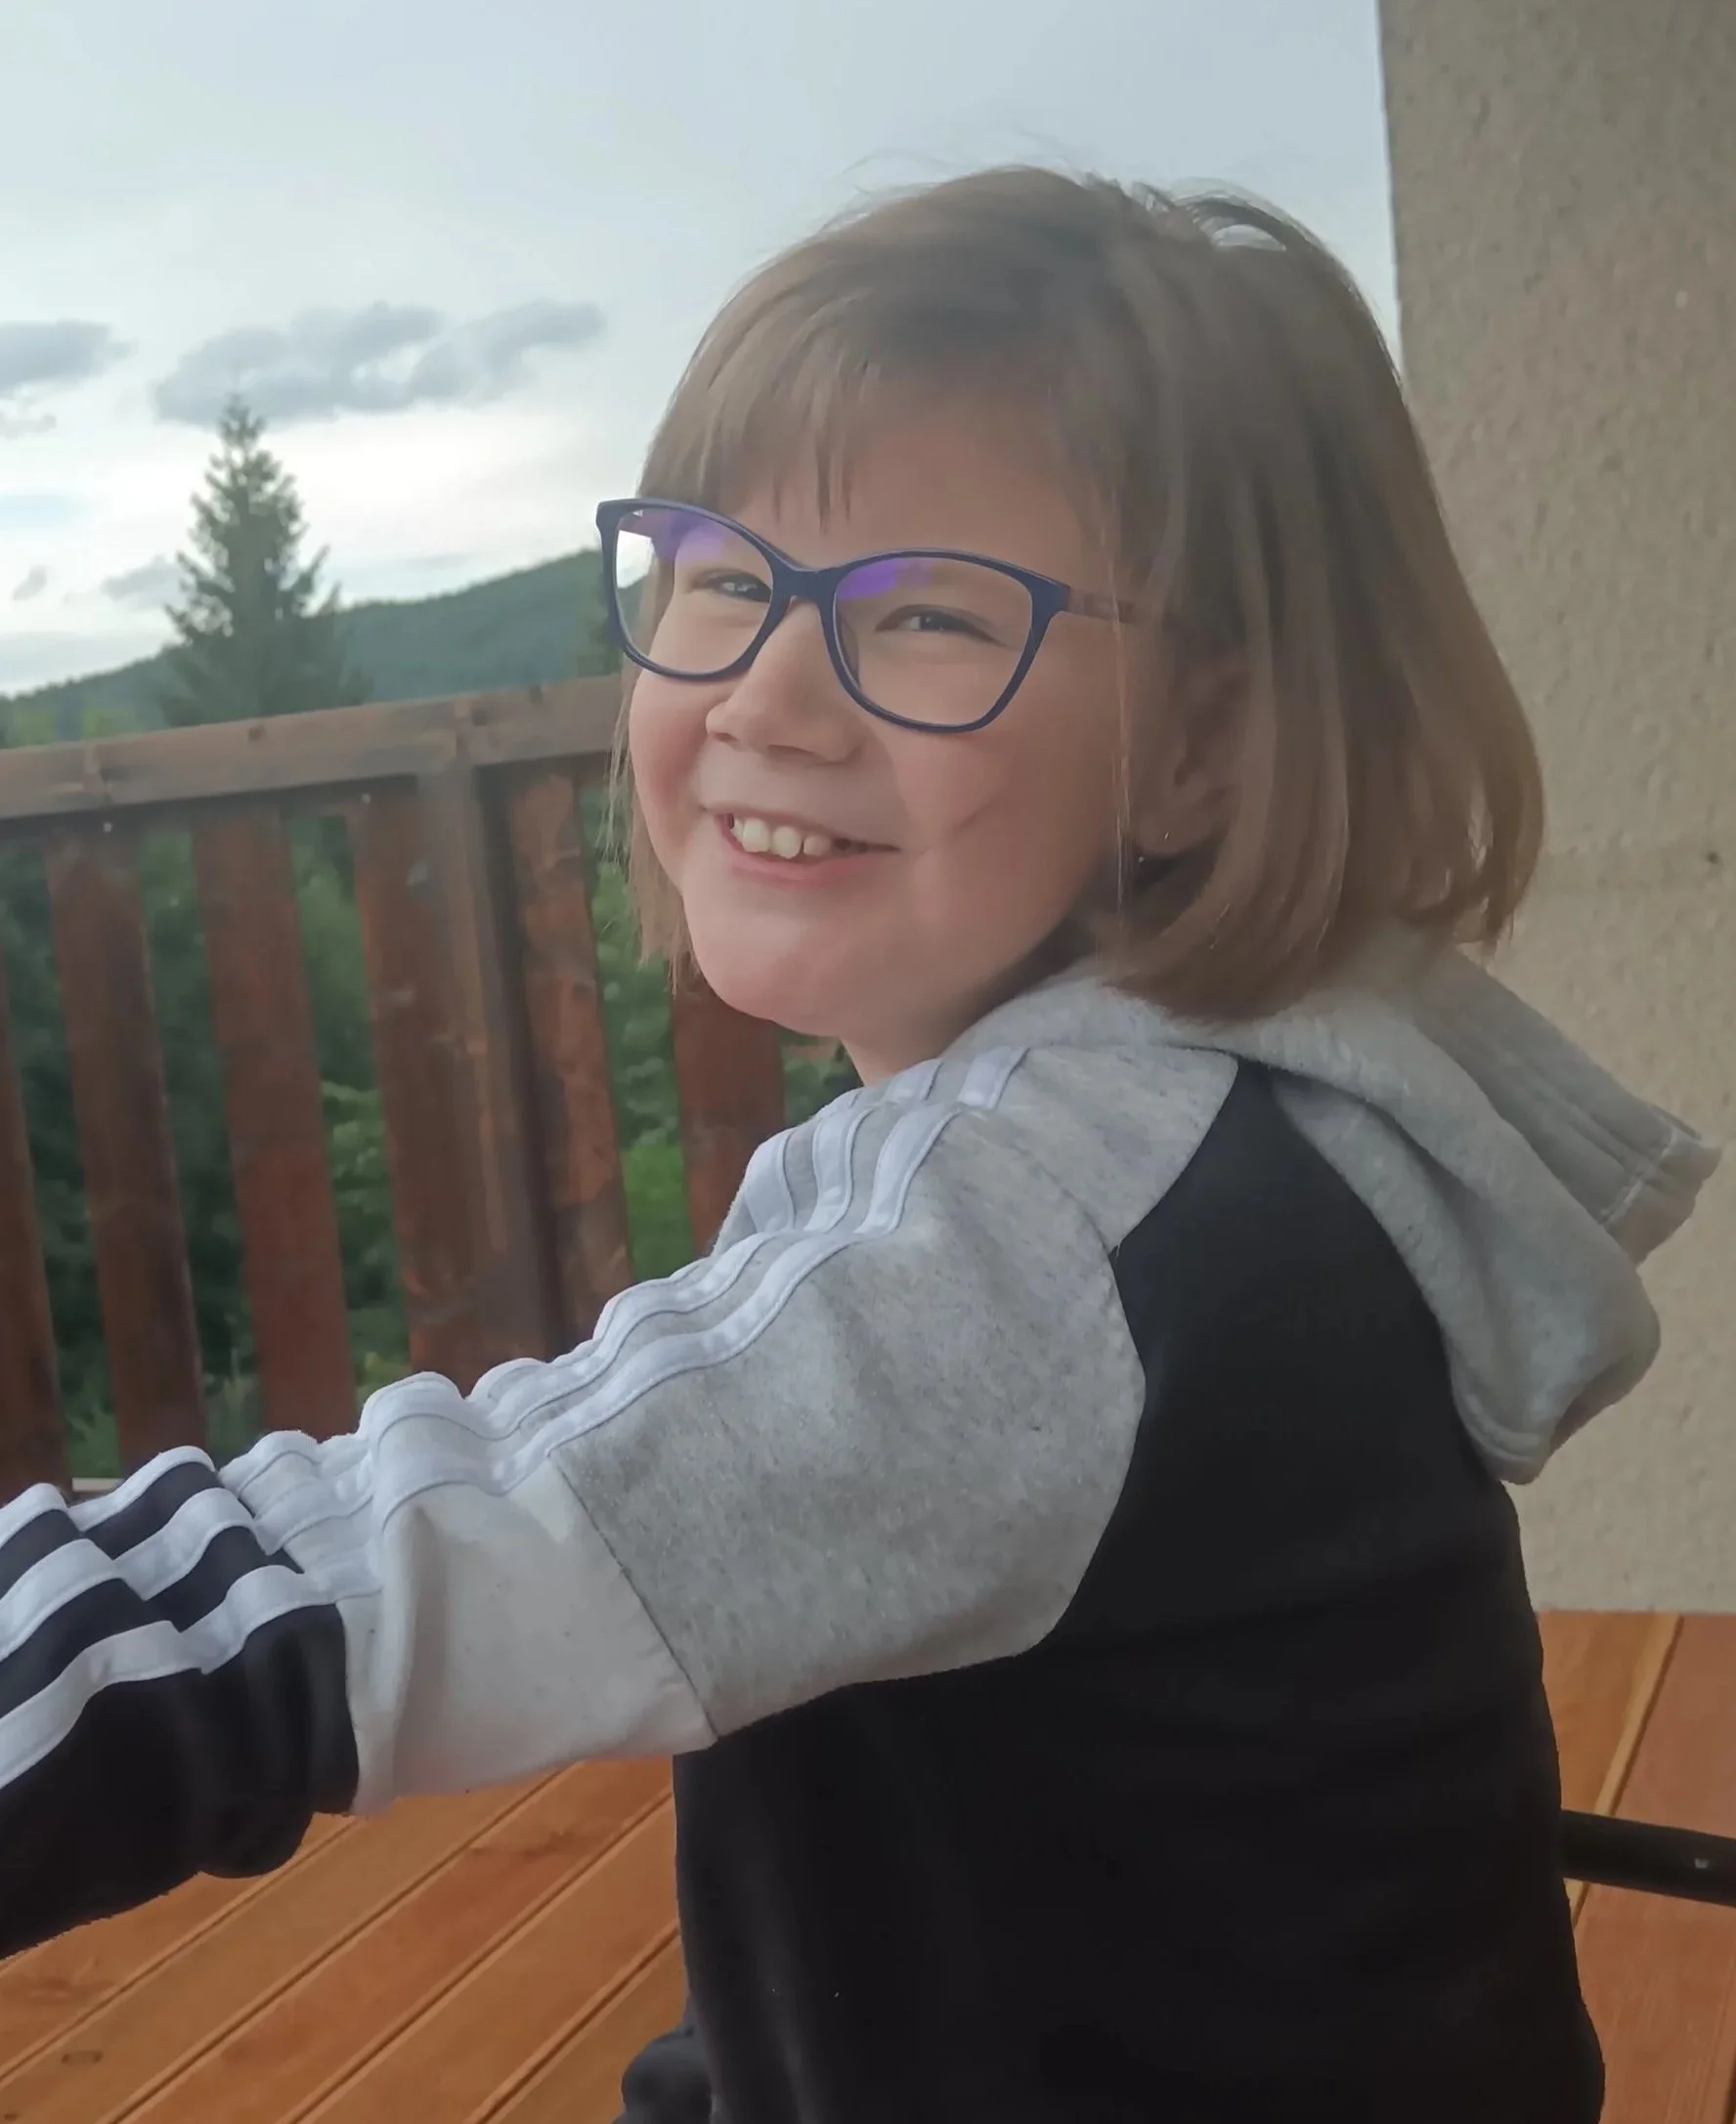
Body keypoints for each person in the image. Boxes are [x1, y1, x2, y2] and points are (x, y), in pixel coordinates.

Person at [0, 169, 1717, 2123]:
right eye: (726, 580)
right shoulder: (1197, 1128)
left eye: (927, 614)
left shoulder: (1057, 1232)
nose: (767, 694)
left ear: (1199, 749)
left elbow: (428, 1561)